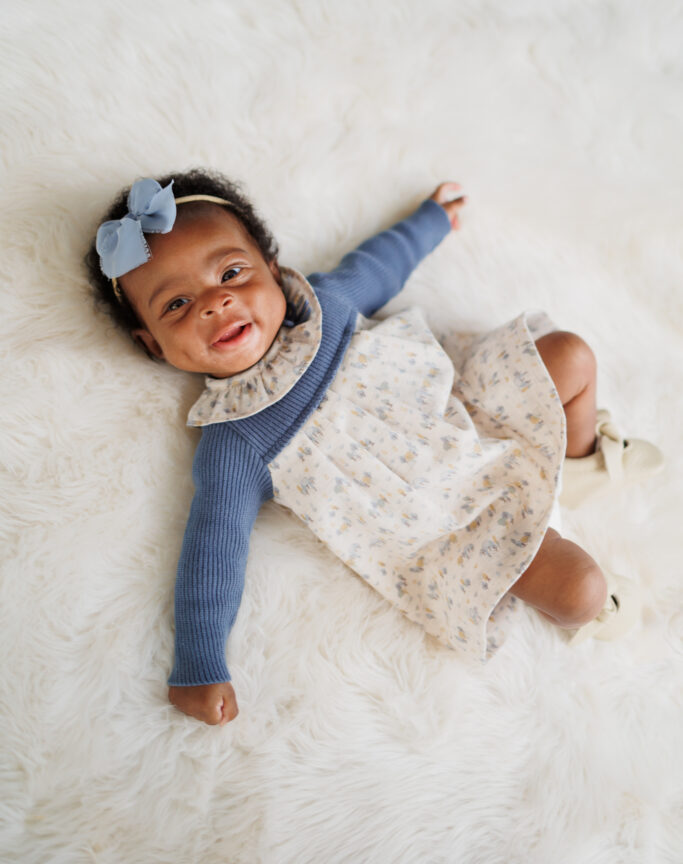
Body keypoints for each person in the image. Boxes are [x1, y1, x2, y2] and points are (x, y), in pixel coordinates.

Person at [86, 169, 664, 727]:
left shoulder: (327, 306)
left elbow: (381, 264)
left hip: (470, 406)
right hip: (456, 527)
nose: (215, 303)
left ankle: (580, 458)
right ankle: (593, 605)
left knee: (570, 354)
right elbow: (213, 550)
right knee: (581, 590)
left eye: (232, 273)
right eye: (176, 306)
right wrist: (198, 663)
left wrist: (431, 221)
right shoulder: (236, 440)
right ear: (152, 346)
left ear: (272, 267)